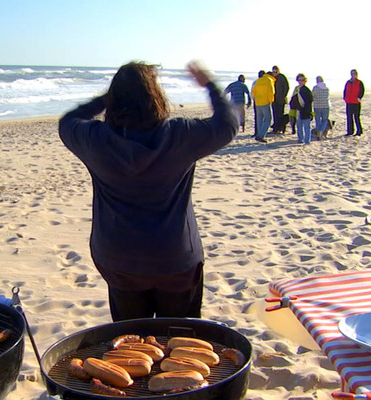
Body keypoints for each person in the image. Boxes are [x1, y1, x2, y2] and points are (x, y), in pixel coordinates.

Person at [58, 61, 237, 322]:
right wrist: (210, 86)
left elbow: (68, 121)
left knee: (130, 345)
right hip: (175, 258)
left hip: (119, 258)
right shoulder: (181, 135)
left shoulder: (95, 139)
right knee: (179, 343)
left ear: (114, 100)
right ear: (156, 97)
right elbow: (228, 125)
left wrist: (108, 99)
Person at [251, 70, 276, 143]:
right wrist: (271, 101)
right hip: (265, 101)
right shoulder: (269, 80)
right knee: (268, 119)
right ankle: (261, 136)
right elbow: (271, 91)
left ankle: (258, 134)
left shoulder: (259, 80)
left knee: (259, 119)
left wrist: (255, 99)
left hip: (257, 101)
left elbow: (253, 91)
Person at [343, 69, 365, 136]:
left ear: (356, 74)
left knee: (356, 117)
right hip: (349, 102)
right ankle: (350, 131)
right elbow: (345, 90)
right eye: (352, 74)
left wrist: (359, 97)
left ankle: (359, 131)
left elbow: (362, 91)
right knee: (349, 117)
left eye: (354, 74)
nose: (353, 75)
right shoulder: (348, 82)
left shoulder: (359, 82)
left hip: (356, 102)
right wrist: (345, 97)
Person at [293, 73, 314, 144]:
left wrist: (306, 110)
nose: (300, 81)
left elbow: (310, 100)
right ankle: (300, 139)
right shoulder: (297, 89)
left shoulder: (307, 90)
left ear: (305, 81)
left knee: (307, 127)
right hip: (298, 110)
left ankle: (307, 140)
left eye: (302, 80)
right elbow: (293, 100)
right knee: (299, 126)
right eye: (299, 80)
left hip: (306, 111)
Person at [270, 66, 290, 134]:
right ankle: (275, 128)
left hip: (281, 100)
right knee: (275, 114)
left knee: (280, 115)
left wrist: (283, 96)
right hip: (274, 100)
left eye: (276, 72)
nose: (275, 73)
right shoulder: (271, 77)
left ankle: (280, 128)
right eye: (274, 72)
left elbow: (286, 87)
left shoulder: (282, 77)